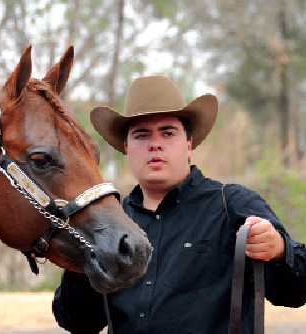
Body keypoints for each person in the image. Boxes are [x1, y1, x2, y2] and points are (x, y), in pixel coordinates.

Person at [52, 75, 306, 334]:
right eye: (142, 135)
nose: (155, 144)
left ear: (188, 144)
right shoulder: (109, 220)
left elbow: (296, 293)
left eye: (167, 132)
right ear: (126, 148)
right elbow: (77, 322)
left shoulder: (233, 205)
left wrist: (278, 250)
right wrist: (84, 259)